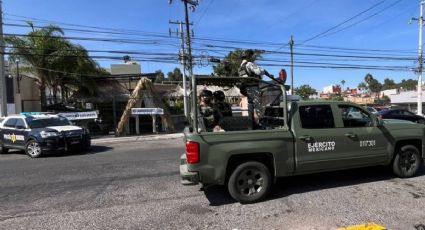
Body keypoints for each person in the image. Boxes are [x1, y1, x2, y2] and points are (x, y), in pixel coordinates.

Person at [238, 49, 272, 123]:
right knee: (258, 105)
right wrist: (265, 71)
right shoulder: (249, 64)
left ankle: (251, 122)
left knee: (250, 103)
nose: (252, 57)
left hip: (245, 88)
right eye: (251, 55)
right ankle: (261, 122)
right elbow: (259, 71)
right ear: (249, 56)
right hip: (253, 87)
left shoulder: (241, 67)